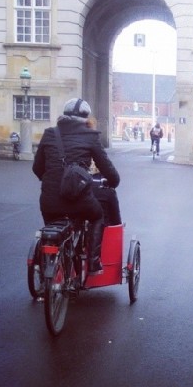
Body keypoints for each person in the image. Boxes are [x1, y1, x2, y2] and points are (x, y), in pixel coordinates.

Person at [32, 98, 120, 274]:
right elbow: (107, 169)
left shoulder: (50, 133)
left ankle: (48, 267)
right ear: (86, 117)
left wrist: (51, 180)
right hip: (79, 199)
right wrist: (112, 181)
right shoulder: (90, 136)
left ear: (64, 114)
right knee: (97, 216)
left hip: (49, 201)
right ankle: (94, 263)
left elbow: (37, 168)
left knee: (54, 230)